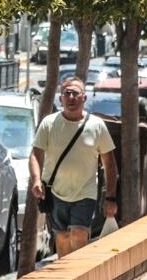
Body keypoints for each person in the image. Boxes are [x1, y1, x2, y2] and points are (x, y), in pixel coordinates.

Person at [30, 76, 119, 257]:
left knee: (79, 234)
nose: (71, 97)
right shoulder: (49, 124)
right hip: (55, 192)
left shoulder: (97, 126)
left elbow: (110, 165)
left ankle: (79, 278)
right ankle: (66, 278)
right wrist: (36, 179)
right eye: (67, 93)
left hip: (85, 193)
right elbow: (35, 154)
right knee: (62, 238)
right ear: (61, 98)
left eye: (75, 93)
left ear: (84, 98)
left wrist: (110, 197)